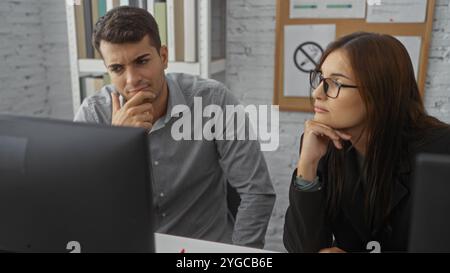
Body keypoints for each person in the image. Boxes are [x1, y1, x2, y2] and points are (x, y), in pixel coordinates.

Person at [74, 6, 275, 248]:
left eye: (141, 61)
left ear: (164, 57)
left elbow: (257, 192)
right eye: (117, 69)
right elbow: (82, 209)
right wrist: (117, 146)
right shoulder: (94, 114)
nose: (131, 79)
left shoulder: (213, 100)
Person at [283, 32, 450, 253]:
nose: (316, 93)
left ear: (379, 92)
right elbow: (303, 248)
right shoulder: (322, 143)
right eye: (321, 79)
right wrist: (307, 166)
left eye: (335, 83)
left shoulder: (441, 150)